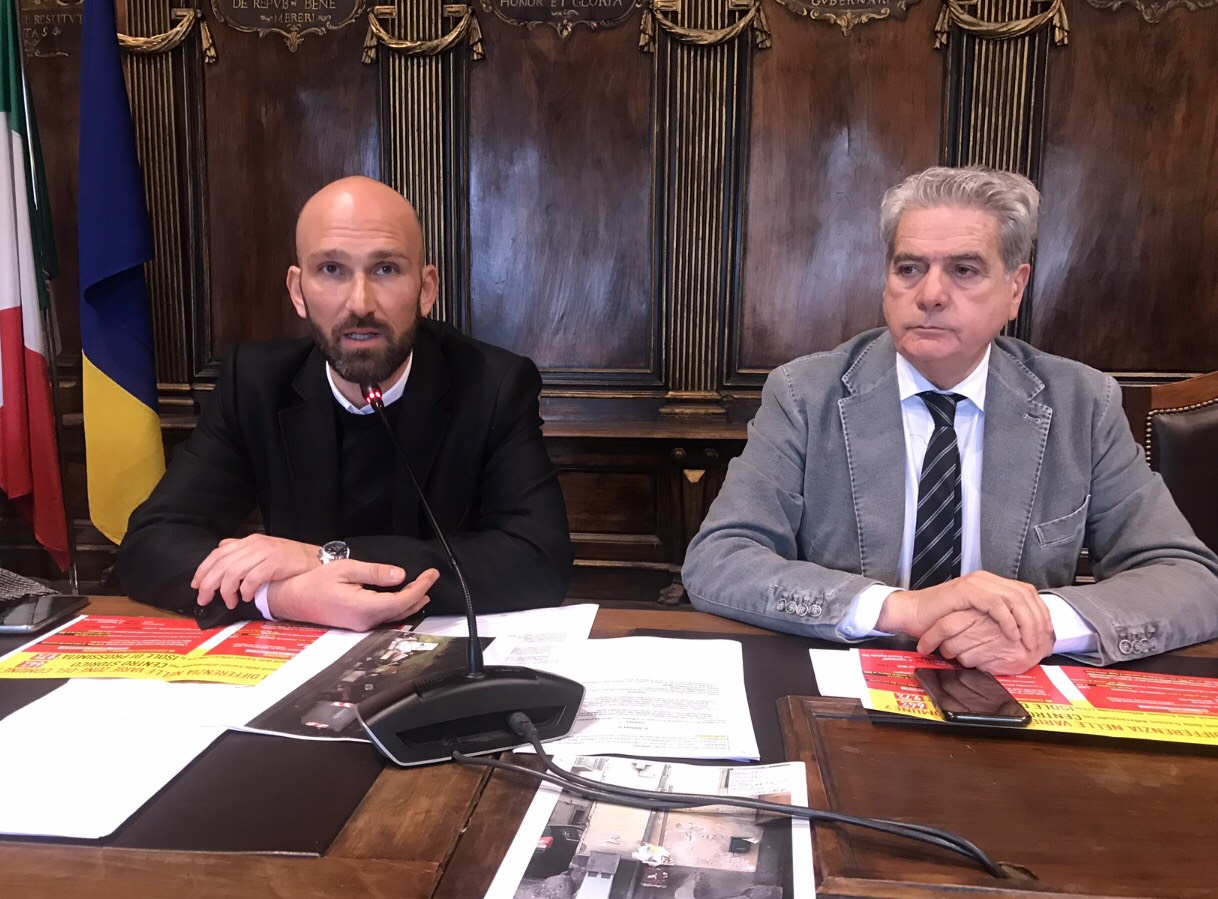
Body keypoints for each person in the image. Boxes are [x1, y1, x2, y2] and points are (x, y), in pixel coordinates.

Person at [682, 166, 1218, 675]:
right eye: (909, 269)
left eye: (964, 270)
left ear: (1015, 288)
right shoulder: (805, 394)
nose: (931, 295)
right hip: (847, 680)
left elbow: (1190, 578)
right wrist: (901, 609)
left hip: (1014, 682)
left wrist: (1043, 624)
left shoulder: (1081, 403)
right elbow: (719, 559)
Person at [118, 176, 573, 630]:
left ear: (426, 290)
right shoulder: (255, 383)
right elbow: (150, 544)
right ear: (298, 291)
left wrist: (323, 558)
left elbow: (538, 559)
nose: (360, 303)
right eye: (332, 269)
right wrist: (282, 598)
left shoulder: (493, 385)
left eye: (386, 269)